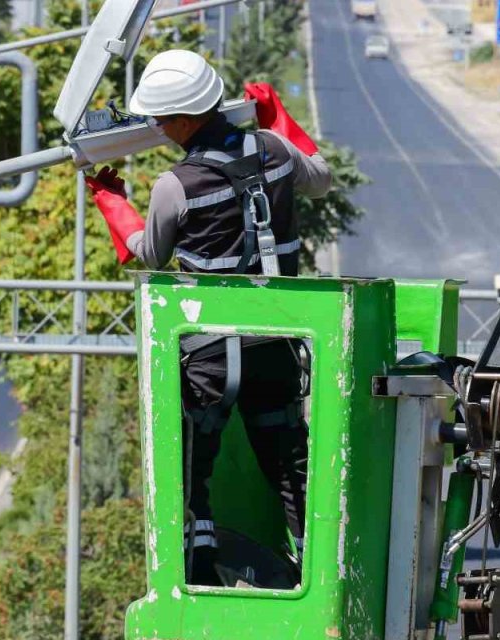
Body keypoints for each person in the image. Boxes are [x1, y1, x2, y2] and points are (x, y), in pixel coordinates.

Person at [85, 49, 333, 586]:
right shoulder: (275, 149)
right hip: (274, 346)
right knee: (289, 465)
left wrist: (111, 201)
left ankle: (198, 581)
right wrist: (279, 119)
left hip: (210, 360)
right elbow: (321, 178)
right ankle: (318, 574)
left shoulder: (175, 185)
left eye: (160, 119)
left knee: (193, 470)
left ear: (182, 120)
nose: (156, 127)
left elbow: (150, 255)